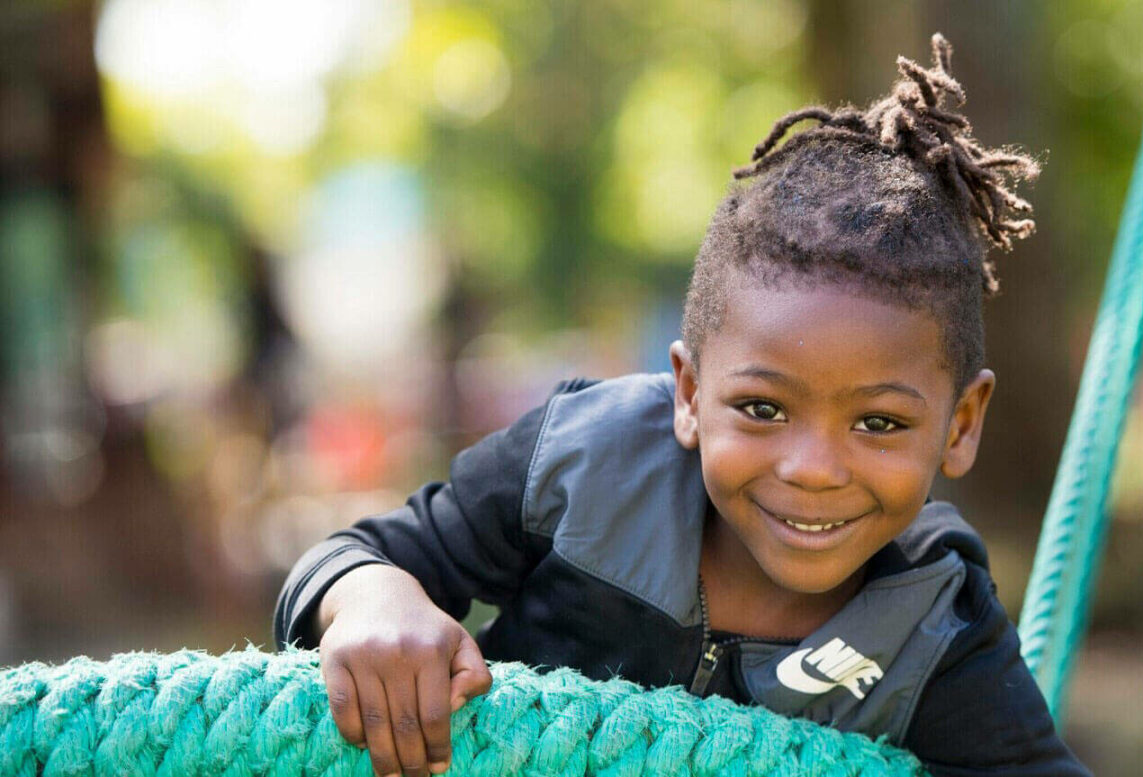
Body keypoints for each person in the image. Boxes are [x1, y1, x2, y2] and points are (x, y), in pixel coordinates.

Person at [274, 33, 1090, 777]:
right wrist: (377, 599)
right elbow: (347, 561)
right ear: (691, 393)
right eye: (764, 409)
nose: (811, 469)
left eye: (879, 422)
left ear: (961, 424)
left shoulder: (933, 626)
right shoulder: (583, 464)